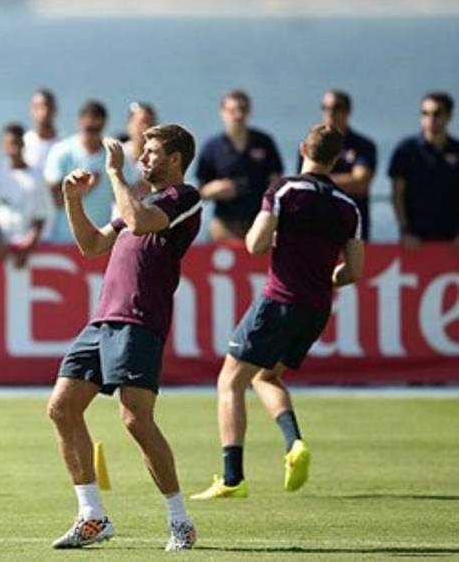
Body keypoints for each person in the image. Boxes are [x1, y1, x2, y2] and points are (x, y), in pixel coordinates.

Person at [47, 124, 201, 551]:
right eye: (143, 151)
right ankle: (92, 515)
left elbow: (138, 220)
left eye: (151, 152)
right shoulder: (142, 201)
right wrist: (72, 201)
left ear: (175, 160)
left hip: (139, 319)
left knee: (134, 417)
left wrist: (114, 173)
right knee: (61, 408)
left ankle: (180, 520)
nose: (143, 158)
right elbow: (93, 245)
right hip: (103, 321)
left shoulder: (183, 198)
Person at [191, 124, 364, 501]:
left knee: (230, 382)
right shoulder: (348, 207)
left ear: (303, 148)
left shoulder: (285, 190)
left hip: (278, 301)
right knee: (267, 377)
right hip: (316, 309)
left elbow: (254, 244)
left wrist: (273, 233)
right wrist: (327, 276)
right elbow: (354, 271)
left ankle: (232, 478)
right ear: (336, 159)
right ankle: (294, 443)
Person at [196, 89, 283, 241]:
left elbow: (277, 183)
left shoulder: (264, 142)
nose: (238, 115)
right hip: (224, 225)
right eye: (232, 110)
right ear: (222, 112)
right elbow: (199, 193)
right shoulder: (212, 147)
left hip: (259, 223)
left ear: (249, 111)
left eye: (243, 109)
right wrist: (215, 189)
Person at [296, 90, 377, 240]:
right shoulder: (311, 144)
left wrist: (319, 181)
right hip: (316, 226)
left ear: (348, 111)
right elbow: (303, 184)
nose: (330, 113)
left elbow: (360, 183)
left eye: (336, 107)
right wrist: (345, 180)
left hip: (351, 226)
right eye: (325, 107)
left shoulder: (363, 145)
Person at [388, 92, 459, 248]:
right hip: (415, 240)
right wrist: (405, 230)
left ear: (449, 116)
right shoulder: (406, 149)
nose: (430, 119)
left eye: (437, 113)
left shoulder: (456, 149)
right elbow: (397, 194)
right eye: (425, 113)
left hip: (452, 240)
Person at [0, 124, 52, 268]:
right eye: (8, 144)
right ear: (2, 146)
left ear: (23, 145)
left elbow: (42, 216)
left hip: (25, 250)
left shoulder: (36, 177)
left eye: (16, 143)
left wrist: (28, 245)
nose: (12, 149)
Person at [43, 100, 114, 243]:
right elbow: (55, 200)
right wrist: (85, 189)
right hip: (65, 240)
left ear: (104, 123)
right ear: (80, 122)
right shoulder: (62, 151)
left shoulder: (113, 154)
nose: (91, 132)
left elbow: (127, 195)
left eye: (95, 128)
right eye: (88, 127)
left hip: (101, 241)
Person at [23, 88, 60, 174]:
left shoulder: (63, 146)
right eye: (37, 107)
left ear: (54, 110)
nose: (43, 112)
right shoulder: (22, 143)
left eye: (47, 106)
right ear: (31, 110)